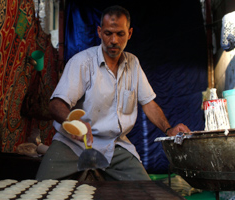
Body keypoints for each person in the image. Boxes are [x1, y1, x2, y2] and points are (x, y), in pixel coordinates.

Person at [36, 5, 190, 181]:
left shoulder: (133, 64)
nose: (114, 40)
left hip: (113, 146)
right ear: (100, 32)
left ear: (130, 33)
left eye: (120, 34)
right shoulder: (82, 62)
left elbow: (148, 103)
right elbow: (56, 105)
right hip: (73, 144)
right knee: (42, 187)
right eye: (108, 33)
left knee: (145, 190)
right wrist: (74, 122)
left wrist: (169, 130)